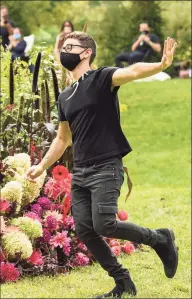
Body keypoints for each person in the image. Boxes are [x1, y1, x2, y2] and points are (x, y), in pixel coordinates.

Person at [26, 31, 178, 298]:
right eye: (64, 47)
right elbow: (62, 139)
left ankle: (161, 239)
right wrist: (41, 166)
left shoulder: (102, 78)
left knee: (105, 223)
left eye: (70, 47)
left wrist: (160, 65)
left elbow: (132, 70)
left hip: (106, 166)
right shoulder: (65, 96)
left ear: (86, 52)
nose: (65, 51)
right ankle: (122, 282)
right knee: (85, 228)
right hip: (82, 170)